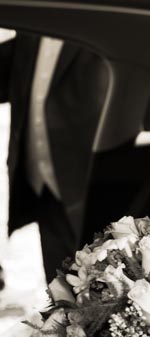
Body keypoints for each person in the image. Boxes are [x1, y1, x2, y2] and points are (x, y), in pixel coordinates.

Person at [0, 32, 109, 281]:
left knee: (103, 294)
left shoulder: (100, 16)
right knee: (59, 290)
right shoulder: (34, 25)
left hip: (92, 184)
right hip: (42, 186)